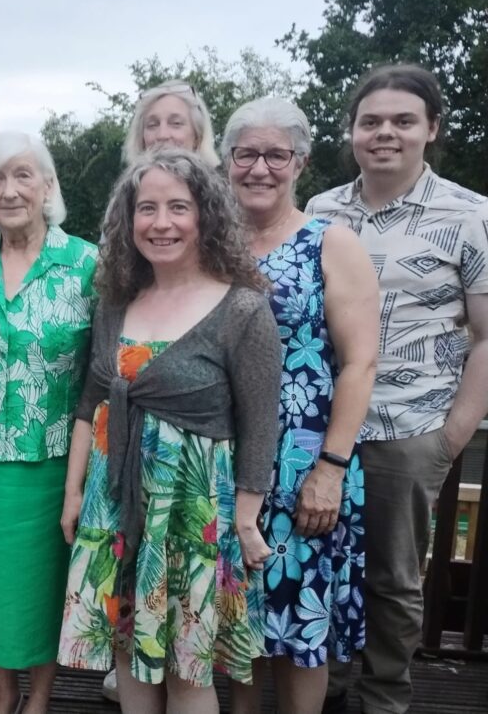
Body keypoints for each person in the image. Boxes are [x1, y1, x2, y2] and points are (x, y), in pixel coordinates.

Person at [57, 148, 283, 713]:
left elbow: (260, 426)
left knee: (188, 668)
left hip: (193, 517)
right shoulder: (116, 302)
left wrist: (247, 521)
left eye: (178, 207)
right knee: (128, 650)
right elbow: (91, 402)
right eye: (147, 208)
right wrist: (74, 494)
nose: (161, 223)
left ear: (205, 215)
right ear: (127, 221)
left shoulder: (242, 311)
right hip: (115, 510)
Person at [307, 64, 488, 714]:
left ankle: (382, 696)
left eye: (403, 120)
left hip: (409, 429)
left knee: (392, 576)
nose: (385, 132)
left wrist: (452, 435)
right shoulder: (321, 211)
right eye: (371, 120)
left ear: (431, 129)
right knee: (316, 561)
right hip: (321, 429)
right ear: (352, 131)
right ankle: (315, 686)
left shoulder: (471, 216)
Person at [221, 98, 379, 714]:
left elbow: (361, 362)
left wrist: (331, 469)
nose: (260, 168)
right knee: (237, 620)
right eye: (246, 154)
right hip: (223, 460)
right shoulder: (210, 243)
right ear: (227, 161)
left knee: (296, 631)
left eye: (276, 155)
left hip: (304, 463)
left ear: (300, 163)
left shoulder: (330, 244)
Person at [0, 131, 97, 714]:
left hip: (57, 460)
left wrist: (84, 479)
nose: (9, 191)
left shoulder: (86, 264)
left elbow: (100, 376)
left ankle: (41, 697)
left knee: (43, 590)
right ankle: (5, 694)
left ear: (47, 186)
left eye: (23, 175)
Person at [123, 79, 220, 167]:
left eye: (176, 123)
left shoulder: (223, 185)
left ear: (197, 137)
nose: (162, 135)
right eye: (152, 125)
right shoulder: (129, 186)